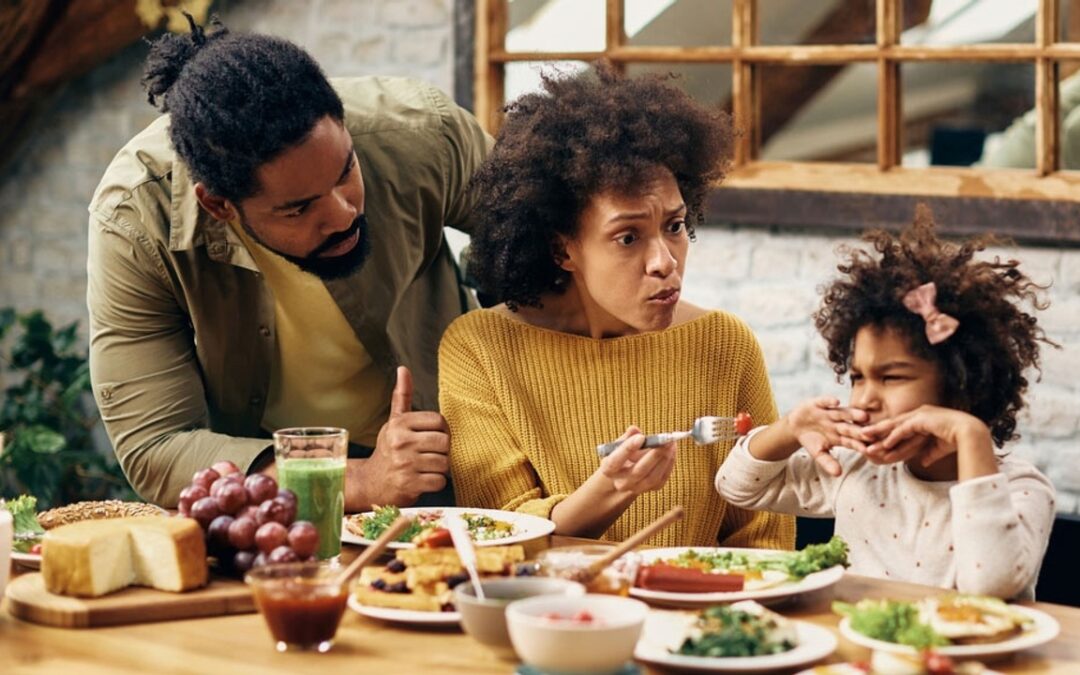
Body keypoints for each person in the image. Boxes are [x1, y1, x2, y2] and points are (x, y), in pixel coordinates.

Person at [86, 16, 490, 508]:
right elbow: (158, 447)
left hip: (441, 455)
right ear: (219, 205)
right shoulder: (136, 221)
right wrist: (359, 481)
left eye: (346, 172)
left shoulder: (420, 133)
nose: (343, 215)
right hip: (272, 490)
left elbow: (551, 239)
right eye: (298, 208)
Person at [439, 65, 794, 548]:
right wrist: (613, 488)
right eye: (628, 237)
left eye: (674, 226)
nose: (664, 262)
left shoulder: (724, 345)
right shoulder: (479, 348)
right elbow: (501, 539)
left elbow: (765, 541)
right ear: (563, 249)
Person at [716, 206, 1056, 599]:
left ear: (963, 385)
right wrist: (790, 428)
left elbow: (990, 585)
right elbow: (736, 488)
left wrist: (971, 436)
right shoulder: (856, 471)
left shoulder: (1021, 488)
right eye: (858, 377)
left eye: (891, 377)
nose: (864, 399)